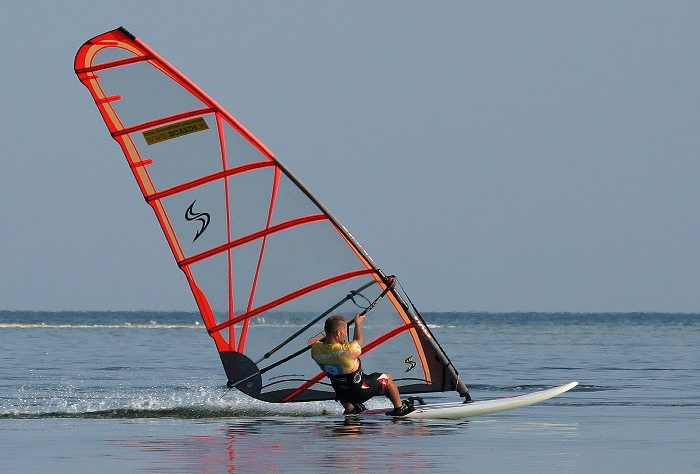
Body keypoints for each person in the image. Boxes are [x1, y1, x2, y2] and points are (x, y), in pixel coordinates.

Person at [310, 313, 414, 416]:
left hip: (343, 396)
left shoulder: (315, 350)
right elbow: (358, 341)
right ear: (338, 333)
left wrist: (328, 334)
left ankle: (351, 409)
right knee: (387, 378)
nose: (346, 334)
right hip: (360, 393)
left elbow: (315, 341)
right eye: (345, 331)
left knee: (340, 383)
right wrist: (358, 324)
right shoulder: (347, 350)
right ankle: (400, 408)